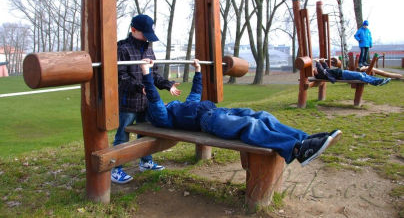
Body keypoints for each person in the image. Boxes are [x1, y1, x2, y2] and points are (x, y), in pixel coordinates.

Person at [140, 58, 342, 167]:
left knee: (262, 115)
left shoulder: (174, 107)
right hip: (209, 121)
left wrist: (198, 70)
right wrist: (147, 76)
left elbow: (194, 96)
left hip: (217, 111)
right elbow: (155, 99)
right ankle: (297, 150)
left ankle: (305, 140)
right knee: (251, 126)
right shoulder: (160, 117)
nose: (152, 98)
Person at [111, 14, 182, 184]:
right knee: (122, 135)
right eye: (144, 34)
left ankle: (145, 161)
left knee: (145, 132)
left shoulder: (149, 49)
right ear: (133, 30)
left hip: (145, 102)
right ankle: (115, 168)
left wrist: (168, 85)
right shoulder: (122, 48)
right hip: (127, 103)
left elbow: (154, 74)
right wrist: (139, 87)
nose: (146, 39)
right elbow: (120, 77)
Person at [313, 58, 391, 86]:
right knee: (360, 76)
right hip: (343, 75)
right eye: (315, 70)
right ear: (316, 73)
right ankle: (375, 82)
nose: (315, 69)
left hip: (343, 72)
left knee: (363, 74)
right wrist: (317, 62)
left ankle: (379, 80)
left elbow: (325, 68)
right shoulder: (323, 74)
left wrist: (323, 62)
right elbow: (322, 70)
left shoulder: (325, 71)